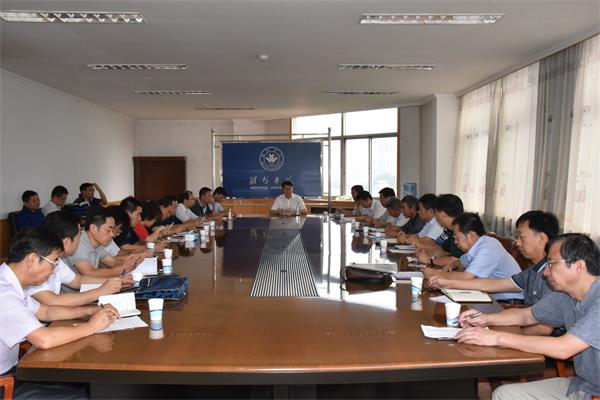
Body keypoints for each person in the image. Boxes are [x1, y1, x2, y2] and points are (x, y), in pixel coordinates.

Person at [456, 233, 600, 399]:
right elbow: (526, 316)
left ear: (579, 265)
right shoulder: (567, 295)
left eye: (551, 264)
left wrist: (495, 337)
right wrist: (485, 318)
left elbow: (564, 348)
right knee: (504, 394)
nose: (545, 272)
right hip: (583, 385)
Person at [0, 227, 119, 398]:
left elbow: (46, 311)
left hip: (13, 372)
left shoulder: (11, 283)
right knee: (83, 395)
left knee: (83, 383)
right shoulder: (4, 292)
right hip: (4, 383)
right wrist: (92, 326)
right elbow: (44, 339)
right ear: (32, 259)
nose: (53, 270)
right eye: (53, 262)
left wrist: (89, 310)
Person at [430, 210, 559, 335]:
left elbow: (544, 329)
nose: (518, 243)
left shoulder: (554, 276)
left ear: (541, 238)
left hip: (538, 338)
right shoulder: (533, 271)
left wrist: (498, 335)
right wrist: (449, 283)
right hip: (521, 323)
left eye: (522, 237)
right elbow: (491, 284)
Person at [26, 211, 125, 306]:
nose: (80, 239)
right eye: (79, 235)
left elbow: (77, 281)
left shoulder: (57, 260)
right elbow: (53, 301)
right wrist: (100, 291)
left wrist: (115, 281)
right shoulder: (36, 263)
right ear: (67, 241)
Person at [424, 212, 523, 301]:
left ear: (470, 235)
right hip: (489, 296)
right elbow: (460, 262)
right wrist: (450, 266)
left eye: (457, 237)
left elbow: (467, 277)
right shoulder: (478, 246)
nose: (455, 242)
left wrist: (437, 274)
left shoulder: (488, 247)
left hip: (509, 301)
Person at [65, 207, 139, 278]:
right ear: (94, 228)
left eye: (113, 230)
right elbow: (89, 273)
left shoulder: (97, 243)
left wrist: (133, 261)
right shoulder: (78, 243)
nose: (112, 235)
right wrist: (122, 269)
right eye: (108, 230)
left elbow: (113, 262)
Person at [414, 194, 465, 268]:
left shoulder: (462, 229)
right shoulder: (450, 229)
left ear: (442, 214)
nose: (435, 217)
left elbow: (456, 260)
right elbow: (443, 251)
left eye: (436, 213)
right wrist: (425, 252)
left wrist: (430, 260)